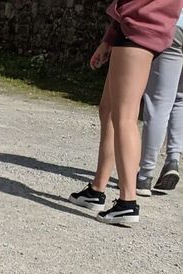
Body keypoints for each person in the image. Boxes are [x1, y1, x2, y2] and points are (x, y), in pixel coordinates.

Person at [70, 0, 183, 226]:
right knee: (108, 109)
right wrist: (109, 39)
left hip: (141, 25)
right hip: (138, 24)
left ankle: (127, 202)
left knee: (125, 116)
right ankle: (97, 189)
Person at [137, 11, 183, 193]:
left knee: (158, 103)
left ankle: (144, 175)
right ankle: (173, 159)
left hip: (172, 24)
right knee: (180, 98)